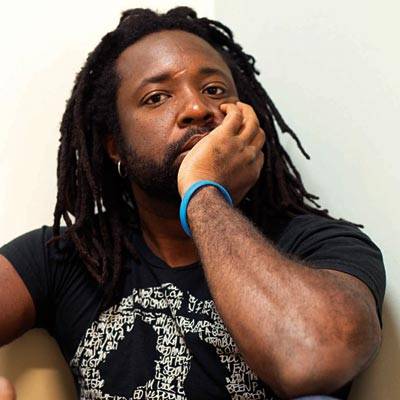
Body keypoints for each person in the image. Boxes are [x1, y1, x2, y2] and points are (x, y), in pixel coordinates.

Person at [0, 6, 385, 400]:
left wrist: (203, 192)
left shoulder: (321, 245)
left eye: (214, 90)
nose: (198, 109)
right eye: (156, 97)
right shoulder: (72, 256)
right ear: (115, 146)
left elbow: (313, 358)